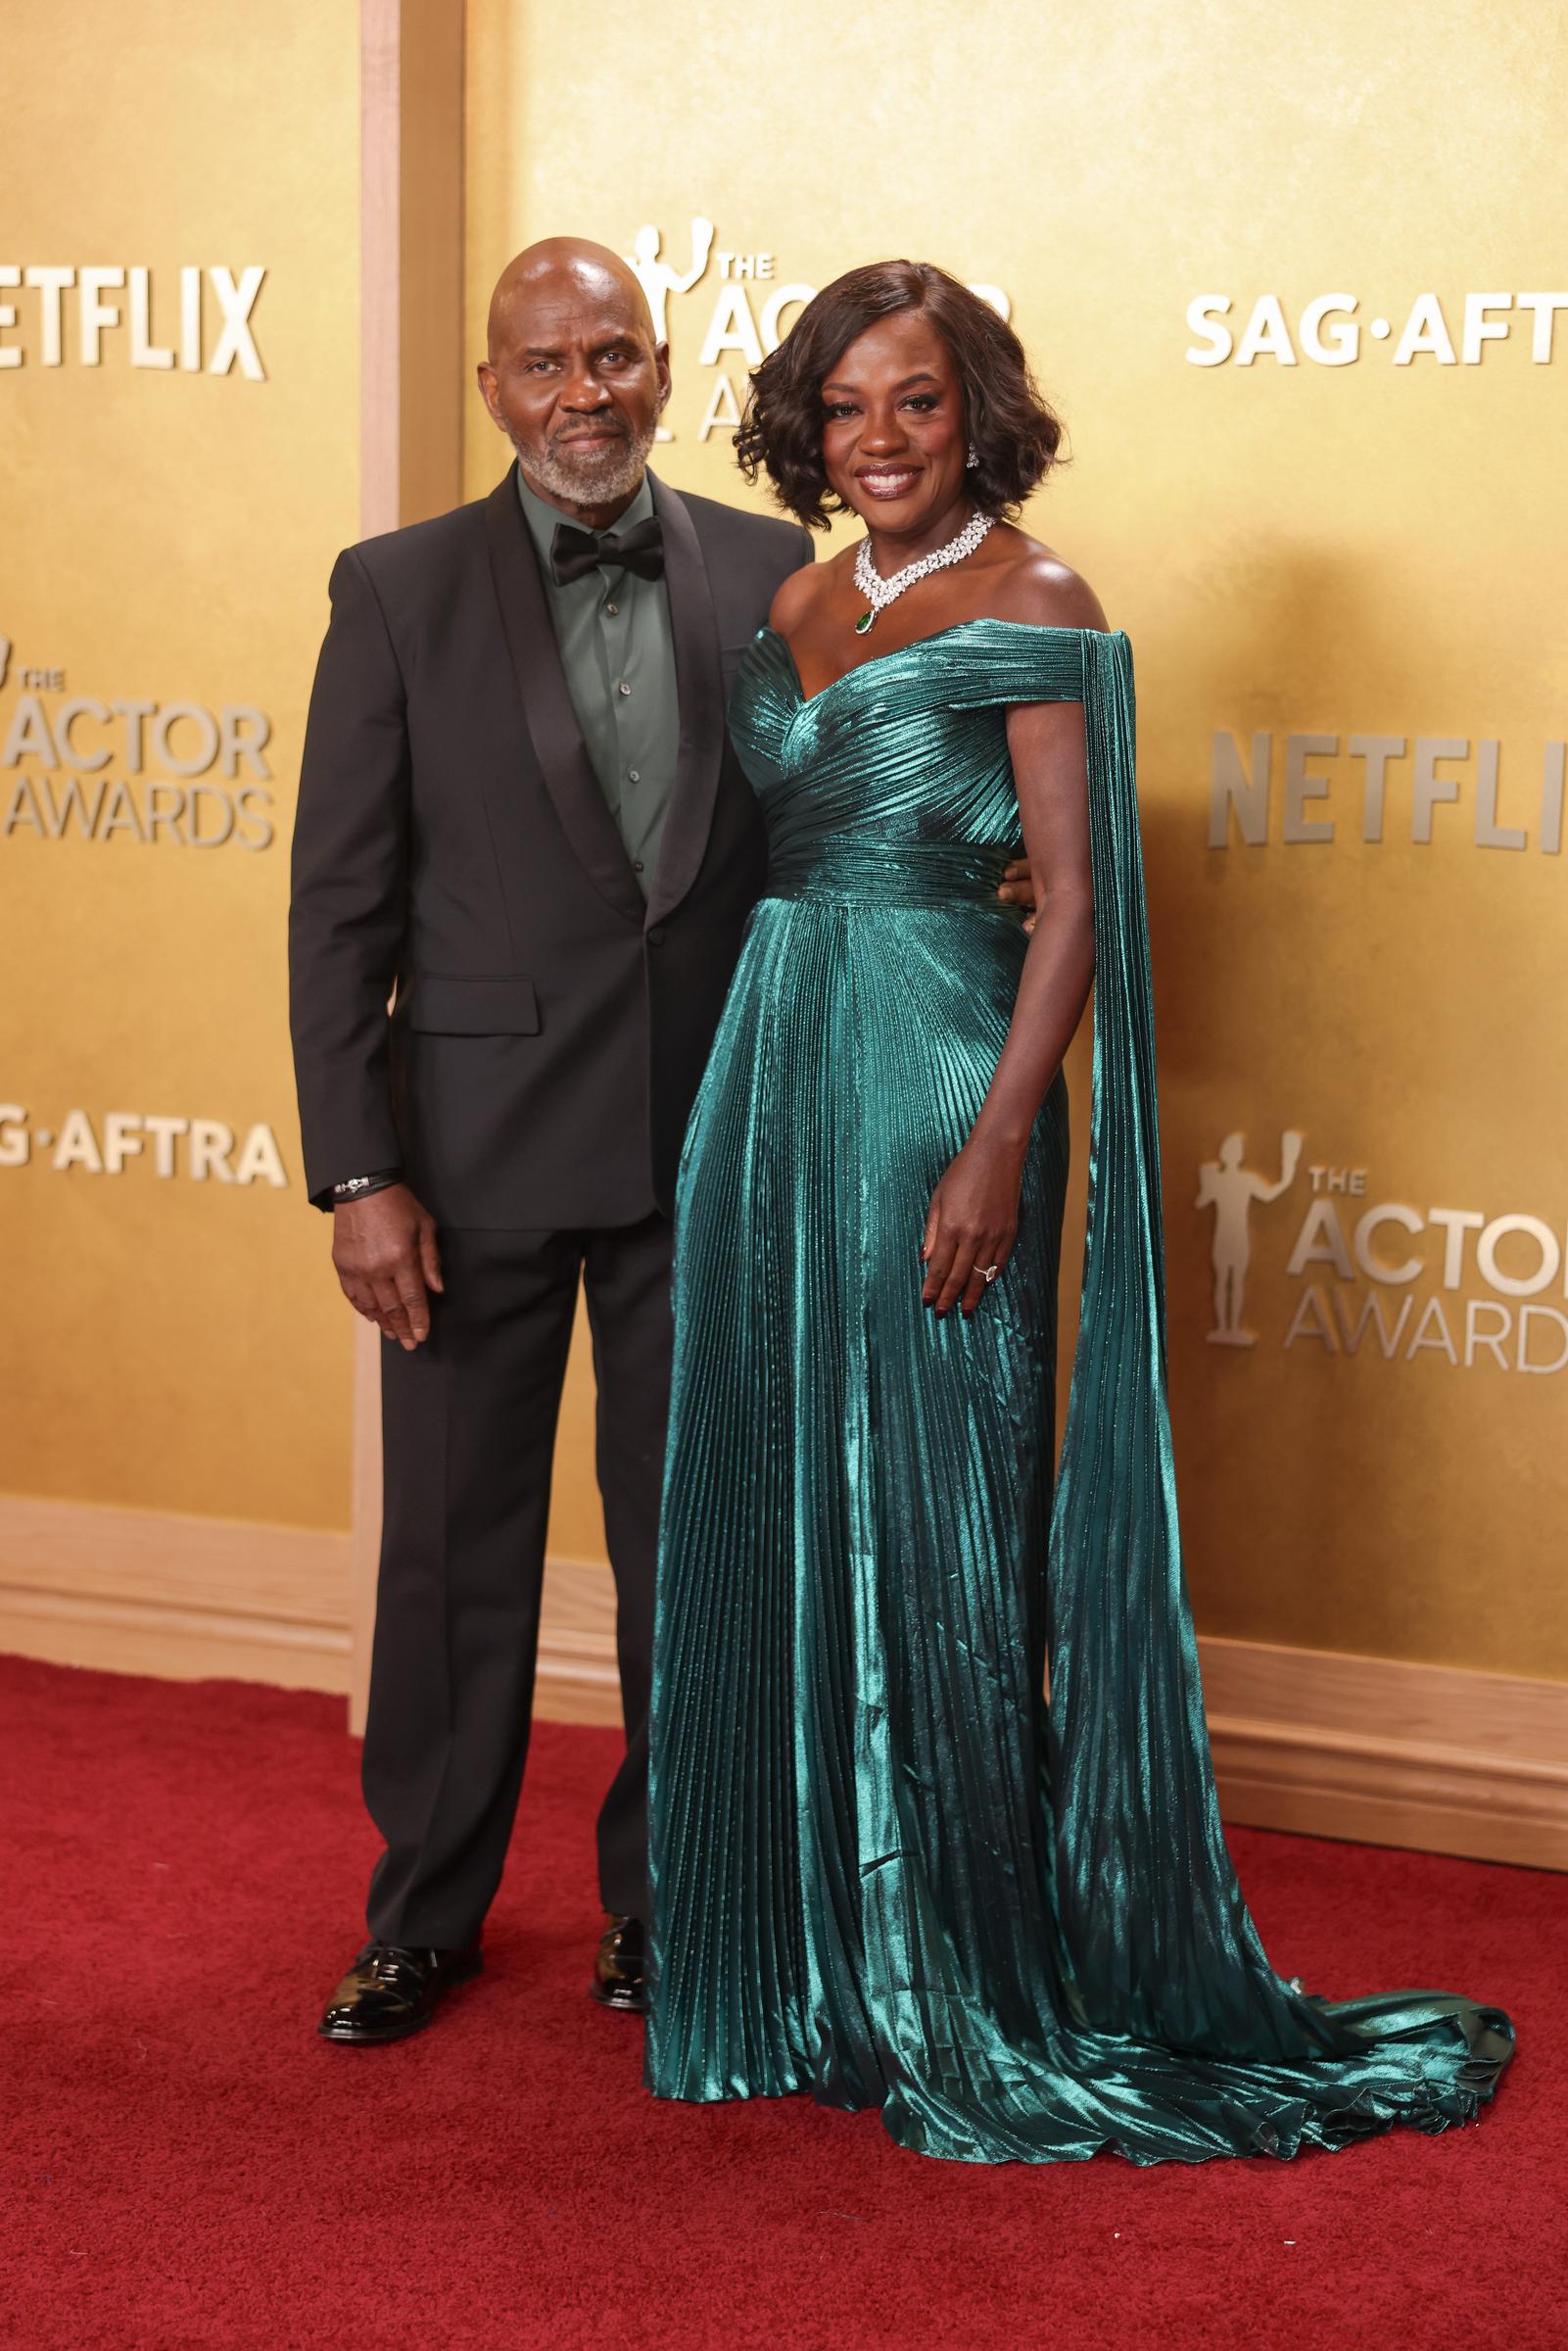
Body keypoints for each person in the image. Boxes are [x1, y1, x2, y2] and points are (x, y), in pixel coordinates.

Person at [644, 260, 1514, 2161]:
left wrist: (1000, 1138)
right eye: (849, 406)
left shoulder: (1041, 599)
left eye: (920, 406)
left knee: (945, 1526)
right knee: (779, 1487)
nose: (880, 441)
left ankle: (963, 1960)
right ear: (808, 420)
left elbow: (1075, 894)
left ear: (982, 417)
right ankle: (813, 1965)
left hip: (936, 1077)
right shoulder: (793, 599)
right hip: (772, 1073)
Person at [288, 240, 1038, 2044]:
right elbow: (337, 905)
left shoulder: (770, 568)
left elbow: (830, 807)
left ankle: (666, 1893)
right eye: (544, 365)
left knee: (689, 1551)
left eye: (615, 356)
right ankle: (426, 1915)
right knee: (452, 1557)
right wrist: (355, 1169)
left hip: (718, 1141)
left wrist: (970, 863)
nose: (584, 395)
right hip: (461, 1166)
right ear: (493, 390)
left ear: (660, 366)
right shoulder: (394, 591)